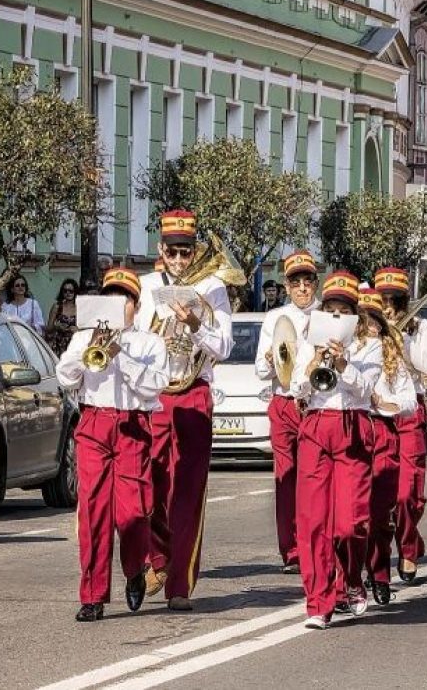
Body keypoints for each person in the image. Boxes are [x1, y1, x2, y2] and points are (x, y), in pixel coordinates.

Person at [56, 267, 169, 623]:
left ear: (136, 306)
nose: (119, 306)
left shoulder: (150, 343)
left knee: (133, 513)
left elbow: (154, 387)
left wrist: (120, 354)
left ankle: (135, 568)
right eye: (112, 298)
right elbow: (64, 376)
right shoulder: (84, 337)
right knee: (93, 513)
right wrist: (87, 348)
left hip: (132, 426)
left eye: (126, 300)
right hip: (94, 423)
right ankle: (93, 595)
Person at [136, 210, 234, 611]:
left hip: (193, 392)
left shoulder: (213, 289)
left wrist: (195, 324)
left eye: (186, 252)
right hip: (155, 395)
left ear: (195, 252)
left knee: (188, 492)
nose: (179, 260)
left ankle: (179, 584)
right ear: (161, 250)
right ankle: (157, 557)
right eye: (172, 252)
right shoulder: (144, 288)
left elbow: (224, 347)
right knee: (149, 486)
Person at [290, 270, 381, 629]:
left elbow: (366, 391)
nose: (336, 316)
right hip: (315, 426)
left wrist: (343, 365)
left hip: (352, 428)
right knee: (313, 521)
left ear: (354, 315)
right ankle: (319, 601)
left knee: (349, 524)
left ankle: (352, 580)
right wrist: (313, 362)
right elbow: (297, 389)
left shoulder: (368, 346)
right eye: (331, 309)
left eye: (344, 310)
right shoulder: (308, 341)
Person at [253, 250, 319, 573]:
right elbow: (260, 371)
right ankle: (291, 550)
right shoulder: (274, 318)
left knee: (311, 478)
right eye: (296, 283)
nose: (303, 288)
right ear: (287, 286)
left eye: (308, 281)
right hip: (282, 403)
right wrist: (268, 360)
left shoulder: (326, 316)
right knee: (286, 477)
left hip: (313, 405)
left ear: (315, 283)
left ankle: (312, 543)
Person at [375, 266, 427, 586]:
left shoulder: (419, 325)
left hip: (411, 410)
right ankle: (390, 550)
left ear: (402, 300)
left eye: (392, 299)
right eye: (381, 298)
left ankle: (409, 549)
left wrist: (403, 338)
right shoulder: (370, 323)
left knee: (409, 492)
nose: (386, 305)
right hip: (380, 414)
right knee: (384, 491)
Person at [360, 288, 418, 606]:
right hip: (353, 432)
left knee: (380, 514)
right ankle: (350, 578)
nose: (367, 326)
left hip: (382, 432)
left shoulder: (390, 353)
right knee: (353, 515)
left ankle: (380, 573)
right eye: (362, 320)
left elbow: (409, 400)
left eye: (373, 321)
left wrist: (387, 403)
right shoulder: (346, 350)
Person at [45, 278, 80, 356]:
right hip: (58, 345)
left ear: (75, 292)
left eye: (71, 291)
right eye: (65, 291)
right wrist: (56, 326)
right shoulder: (57, 307)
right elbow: (48, 328)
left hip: (74, 345)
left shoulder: (80, 308)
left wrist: (77, 330)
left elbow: (86, 328)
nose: (68, 293)